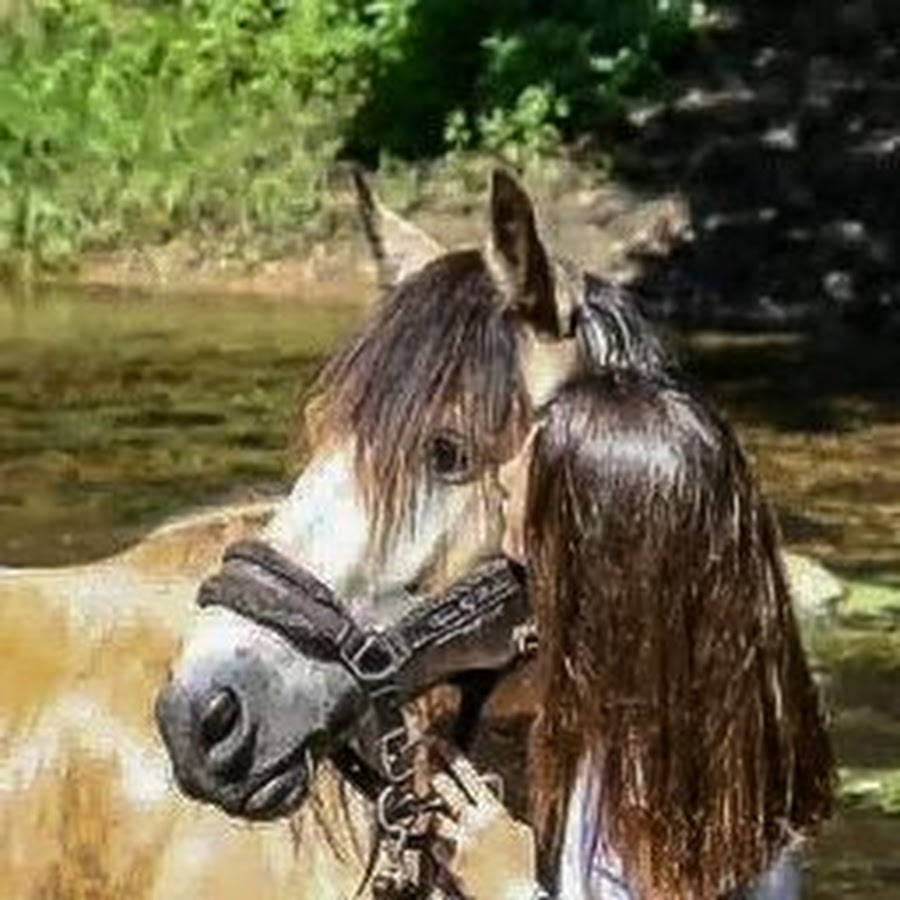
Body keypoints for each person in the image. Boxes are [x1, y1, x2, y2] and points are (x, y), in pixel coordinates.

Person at [431, 371, 834, 899]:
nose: (503, 470)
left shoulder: (663, 783)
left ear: (595, 570)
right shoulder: (708, 719)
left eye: (529, 566)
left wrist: (506, 887)